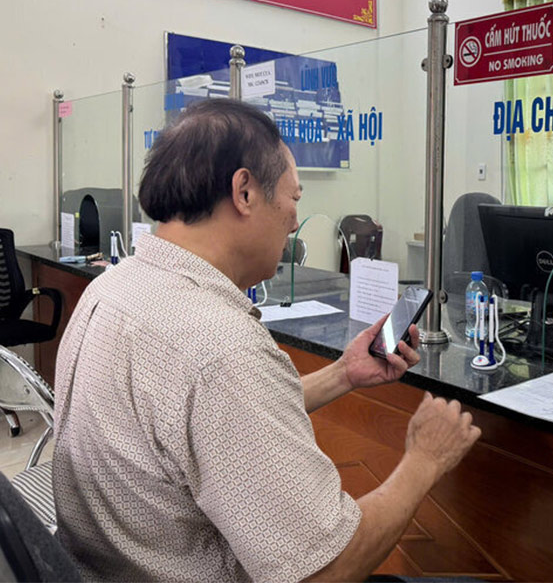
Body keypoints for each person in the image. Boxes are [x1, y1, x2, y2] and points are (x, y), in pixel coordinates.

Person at [52, 98, 481, 582]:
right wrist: (425, 460)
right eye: (294, 198)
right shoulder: (220, 349)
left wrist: (343, 373)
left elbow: (202, 426)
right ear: (245, 192)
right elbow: (326, 571)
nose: (295, 220)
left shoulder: (113, 286)